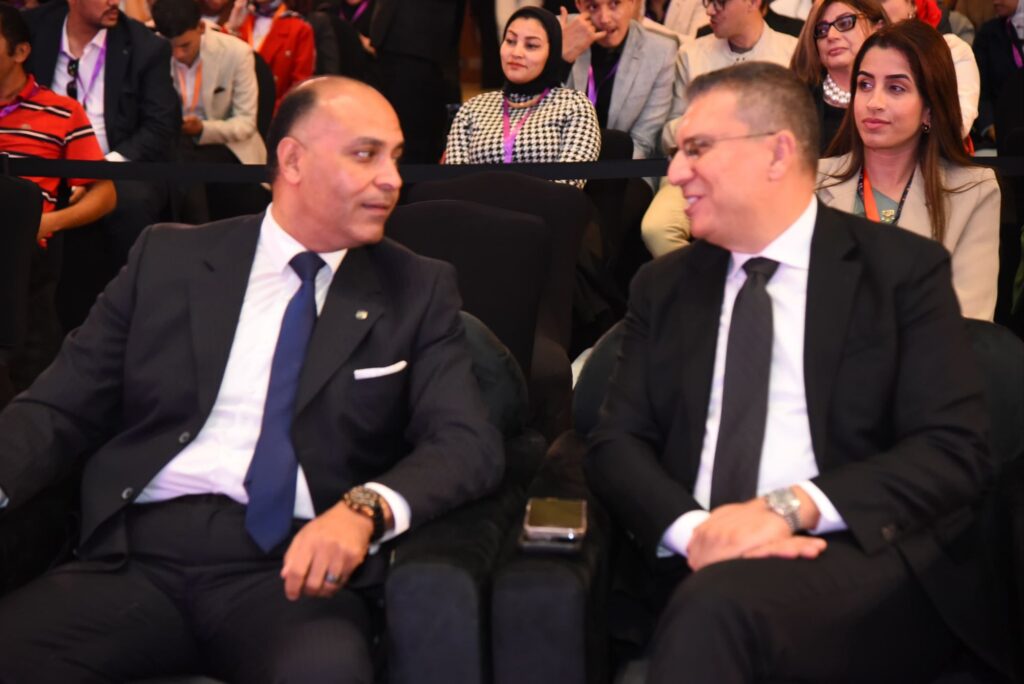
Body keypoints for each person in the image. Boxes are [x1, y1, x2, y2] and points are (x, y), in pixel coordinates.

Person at [0, 76, 503, 682]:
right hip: (136, 557)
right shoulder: (169, 259)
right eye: (365, 155)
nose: (392, 179)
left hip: (293, 573)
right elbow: (59, 407)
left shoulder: (415, 289)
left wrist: (364, 508)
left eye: (395, 157)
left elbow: (466, 442)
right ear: (292, 161)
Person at [585, 61, 1009, 683]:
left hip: (854, 555)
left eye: (697, 149)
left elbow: (952, 451)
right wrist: (697, 533)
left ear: (777, 153)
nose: (675, 174)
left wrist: (789, 508)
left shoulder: (898, 272)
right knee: (708, 602)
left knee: (718, 609)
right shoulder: (663, 286)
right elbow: (616, 442)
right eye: (677, 153)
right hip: (694, 555)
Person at [818, 21, 1000, 320]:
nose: (874, 102)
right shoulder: (811, 182)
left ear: (929, 108)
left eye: (896, 88)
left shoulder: (973, 191)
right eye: (865, 85)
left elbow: (969, 325)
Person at [23, 0, 180, 332]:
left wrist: (97, 169)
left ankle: (129, 323)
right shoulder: (32, 30)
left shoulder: (146, 48)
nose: (114, 2)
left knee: (131, 202)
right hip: (42, 156)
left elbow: (160, 127)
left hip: (115, 163)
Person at [0, 3, 115, 389]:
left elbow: (105, 193)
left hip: (20, 243)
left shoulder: (62, 112)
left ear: (20, 52)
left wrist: (47, 222)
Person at [641, 0, 797, 257]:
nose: (709, 10)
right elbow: (668, 133)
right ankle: (705, 280)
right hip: (696, 171)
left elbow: (796, 130)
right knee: (657, 228)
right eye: (706, 1)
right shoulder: (691, 54)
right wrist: (708, 124)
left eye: (720, 2)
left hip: (760, 174)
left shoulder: (790, 53)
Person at [444, 6, 601, 188]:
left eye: (531, 45)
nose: (516, 53)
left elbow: (568, 185)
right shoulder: (472, 108)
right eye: (510, 41)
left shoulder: (574, 105)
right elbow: (455, 185)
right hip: (475, 206)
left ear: (551, 53)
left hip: (547, 205)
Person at [151, 0, 267, 223]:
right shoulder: (153, 52)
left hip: (227, 144)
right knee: (178, 158)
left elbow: (246, 123)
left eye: (185, 46)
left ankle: (194, 230)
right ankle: (194, 231)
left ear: (201, 28)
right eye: (170, 47)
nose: (178, 55)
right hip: (173, 143)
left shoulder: (236, 53)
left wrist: (203, 128)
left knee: (186, 163)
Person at [561, 0, 678, 160]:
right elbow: (536, 115)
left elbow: (642, 142)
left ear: (633, 3)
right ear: (579, 5)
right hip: (559, 161)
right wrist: (561, 58)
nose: (605, 19)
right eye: (593, 7)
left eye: (614, 4)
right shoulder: (555, 33)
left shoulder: (660, 51)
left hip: (623, 165)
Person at [789, 0, 888, 153]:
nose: (831, 36)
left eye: (845, 23)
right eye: (822, 30)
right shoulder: (796, 101)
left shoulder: (902, 91)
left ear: (878, 28)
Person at [878, 0, 981, 138]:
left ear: (912, 5)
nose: (874, 4)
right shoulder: (861, 54)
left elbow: (957, 126)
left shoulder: (952, 50)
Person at [225, 0, 316, 110]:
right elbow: (217, 69)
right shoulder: (238, 20)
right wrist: (232, 28)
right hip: (230, 111)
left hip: (273, 114)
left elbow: (299, 90)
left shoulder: (299, 29)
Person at [972, 0, 1023, 145]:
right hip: (1003, 132)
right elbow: (980, 88)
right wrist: (989, 126)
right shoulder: (988, 34)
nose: (995, 1)